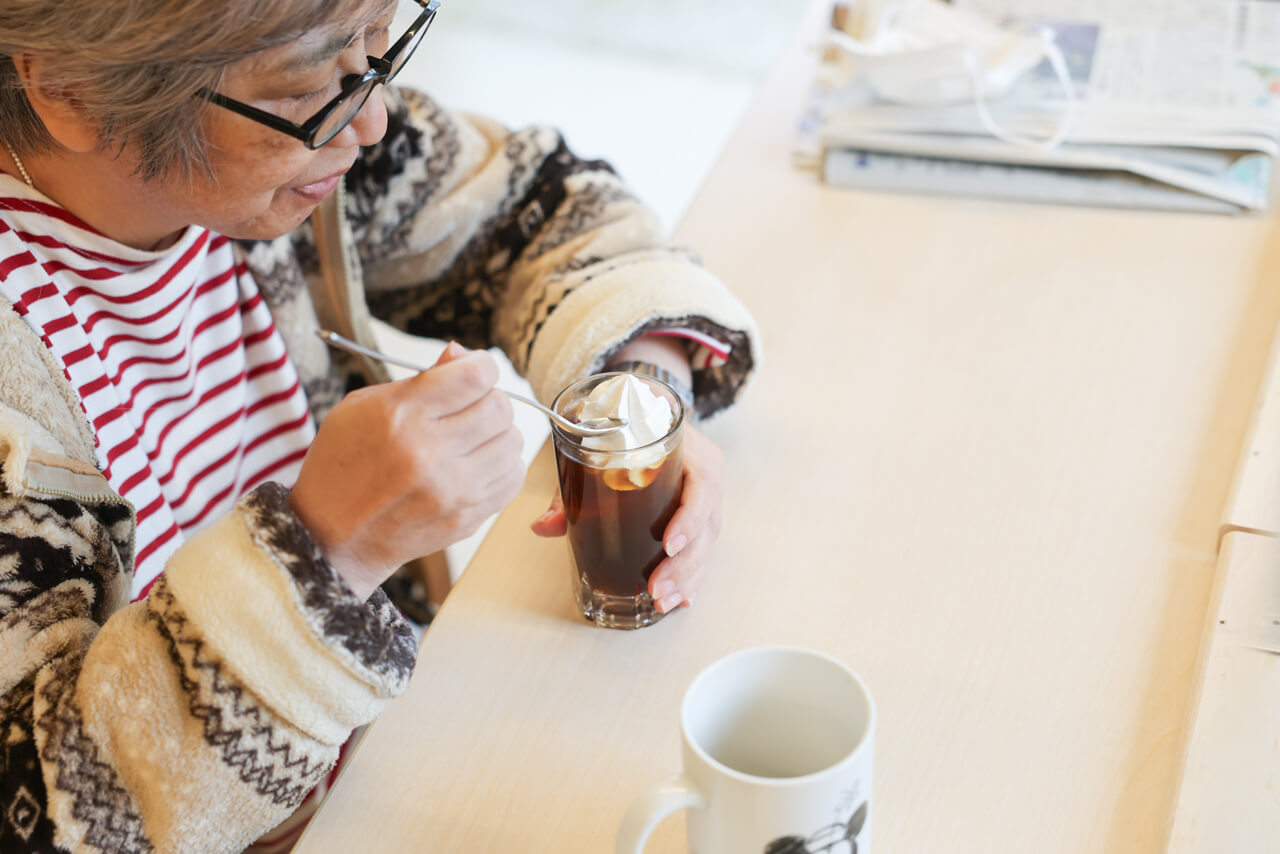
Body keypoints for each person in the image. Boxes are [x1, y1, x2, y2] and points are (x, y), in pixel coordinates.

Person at [0, 0, 759, 850]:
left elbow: (546, 209)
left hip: (405, 765)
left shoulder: (304, 155)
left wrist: (638, 396)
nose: (373, 117)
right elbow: (37, 811)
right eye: (308, 81)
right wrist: (323, 551)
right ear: (69, 88)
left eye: (379, 40)